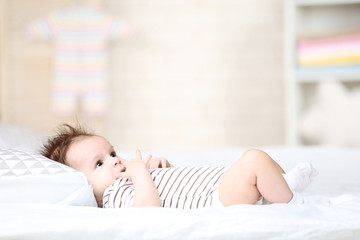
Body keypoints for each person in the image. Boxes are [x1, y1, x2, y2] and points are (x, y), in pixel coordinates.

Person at [41, 124, 319, 208]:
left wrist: (161, 168)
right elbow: (149, 214)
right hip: (215, 198)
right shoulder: (113, 198)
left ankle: (279, 189)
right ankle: (291, 202)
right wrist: (140, 176)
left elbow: (173, 186)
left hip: (216, 182)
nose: (115, 160)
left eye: (112, 152)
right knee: (255, 159)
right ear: (82, 183)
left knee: (254, 158)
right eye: (99, 163)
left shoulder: (126, 182)